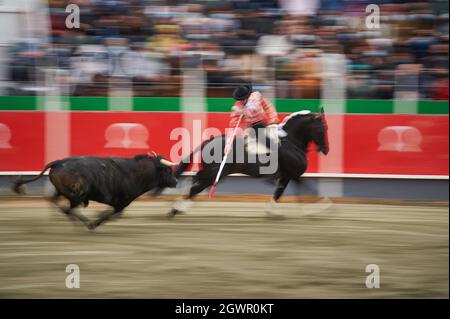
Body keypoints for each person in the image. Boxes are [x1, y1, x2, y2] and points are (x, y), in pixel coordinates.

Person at [229, 84, 280, 154]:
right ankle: (277, 150)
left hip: (265, 122)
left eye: (244, 99)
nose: (242, 101)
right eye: (240, 100)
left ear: (248, 96)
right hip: (252, 127)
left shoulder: (256, 96)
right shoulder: (237, 108)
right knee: (266, 140)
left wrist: (272, 118)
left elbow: (268, 106)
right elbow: (234, 124)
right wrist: (239, 134)